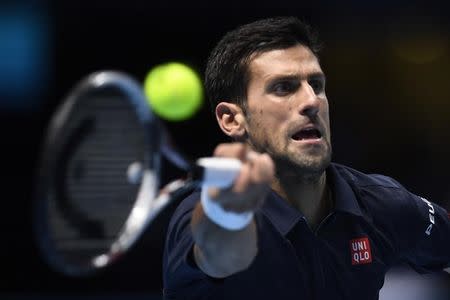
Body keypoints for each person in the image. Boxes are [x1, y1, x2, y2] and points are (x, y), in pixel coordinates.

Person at [162, 16, 450, 299]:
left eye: (317, 84)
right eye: (283, 87)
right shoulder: (197, 215)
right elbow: (218, 256)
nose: (312, 101)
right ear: (231, 119)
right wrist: (228, 214)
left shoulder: (381, 204)